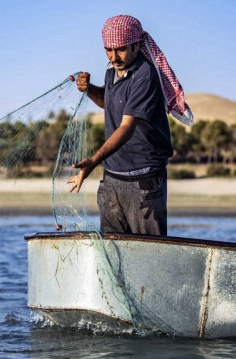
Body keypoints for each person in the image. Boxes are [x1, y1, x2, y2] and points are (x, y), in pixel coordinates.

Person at [67, 15, 193, 236]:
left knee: (150, 253)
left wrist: (93, 162)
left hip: (143, 181)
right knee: (114, 255)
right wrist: (89, 89)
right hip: (112, 179)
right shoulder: (112, 70)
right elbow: (108, 101)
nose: (114, 57)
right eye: (108, 49)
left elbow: (127, 127)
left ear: (136, 45)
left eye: (120, 50)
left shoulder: (145, 76)